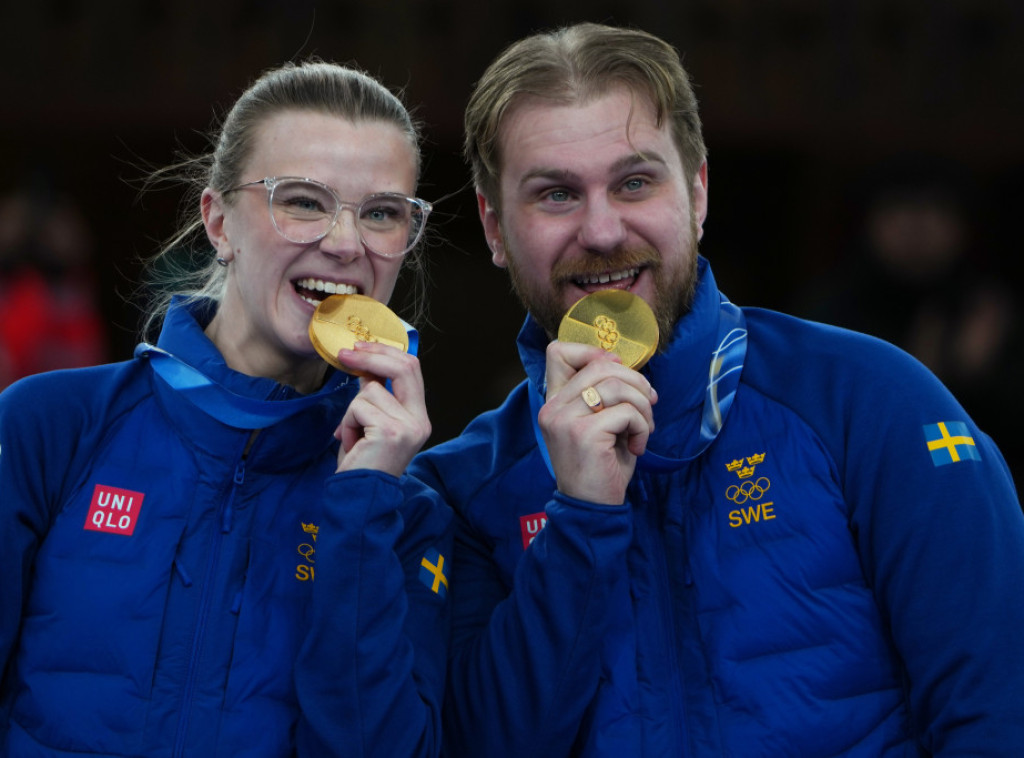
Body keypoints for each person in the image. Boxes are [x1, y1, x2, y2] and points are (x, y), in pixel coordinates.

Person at [410, 22, 1024, 756]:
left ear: (697, 192)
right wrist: (580, 517)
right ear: (494, 226)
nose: (602, 230)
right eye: (555, 195)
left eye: (636, 181)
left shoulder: (870, 401)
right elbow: (486, 744)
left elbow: (997, 715)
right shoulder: (462, 490)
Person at [0, 60, 450, 757]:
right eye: (303, 200)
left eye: (382, 213)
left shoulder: (407, 510)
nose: (344, 241)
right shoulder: (50, 427)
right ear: (218, 222)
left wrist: (362, 503)